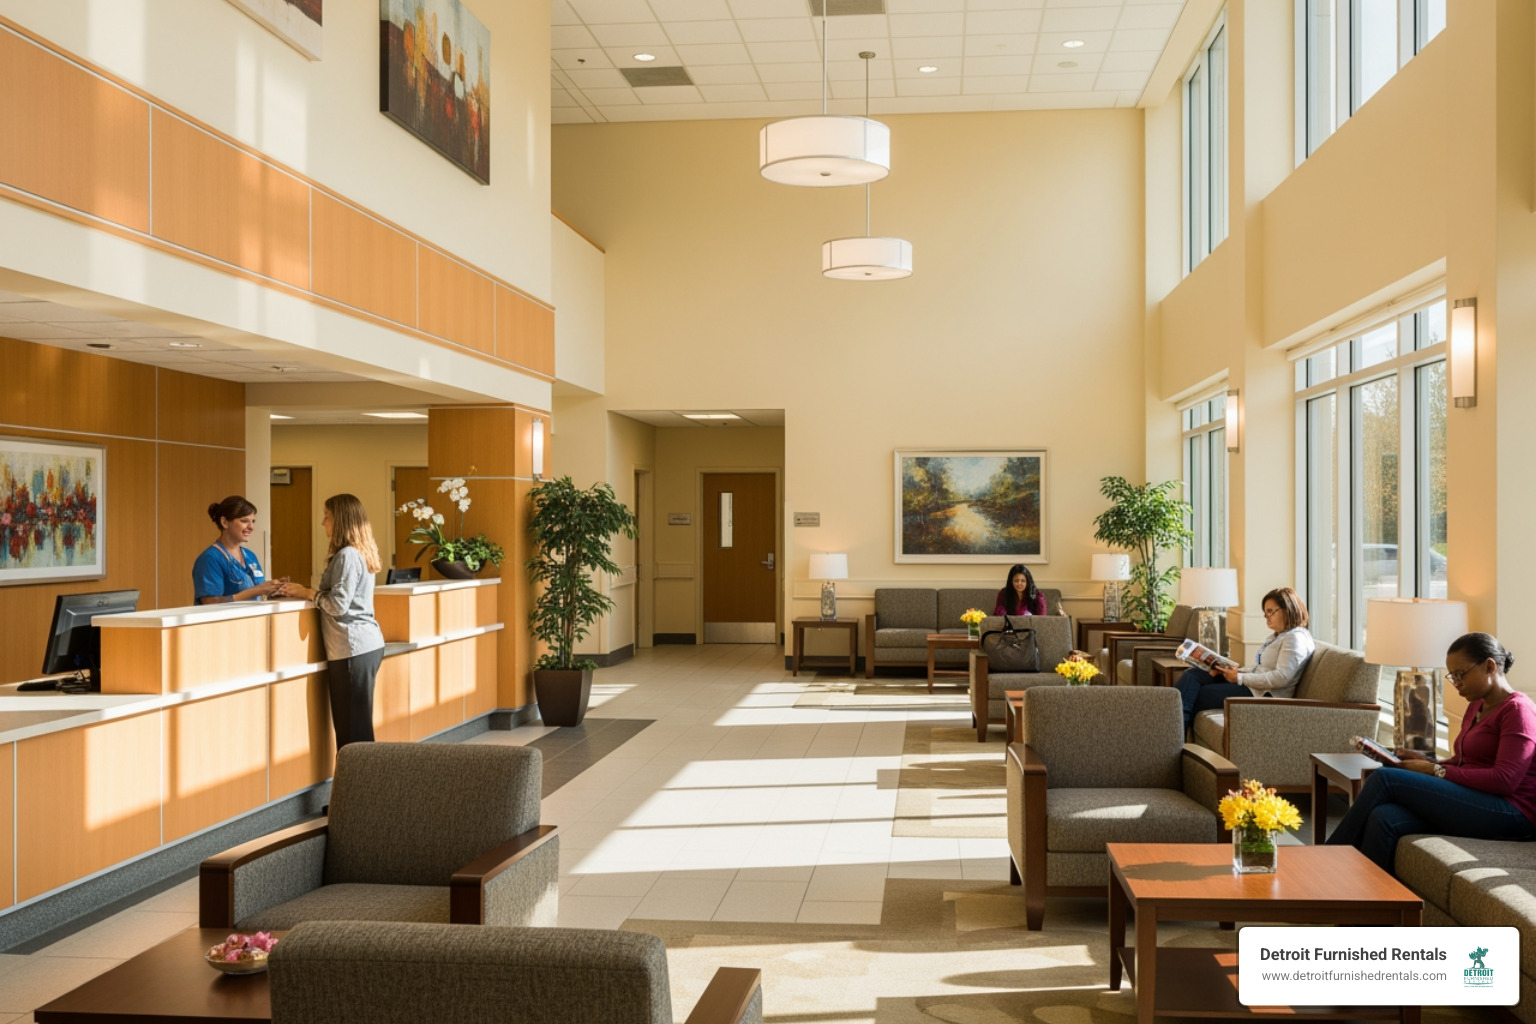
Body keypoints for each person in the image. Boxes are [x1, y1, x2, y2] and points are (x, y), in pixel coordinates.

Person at [1327, 632, 1536, 875]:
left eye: (1461, 675)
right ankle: (1365, 904)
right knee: (1384, 817)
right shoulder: (1477, 705)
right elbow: (1464, 761)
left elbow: (1505, 781)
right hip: (1478, 799)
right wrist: (1428, 761)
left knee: (1386, 779)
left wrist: (1436, 770)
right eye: (1452, 676)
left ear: (1489, 666)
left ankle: (1328, 862)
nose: (1456, 683)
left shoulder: (1518, 711)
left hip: (1512, 813)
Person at [284, 494, 385, 748]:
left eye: (327, 517)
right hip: (362, 645)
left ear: (340, 520)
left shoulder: (348, 556)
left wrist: (307, 593)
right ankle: (360, 784)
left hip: (352, 647)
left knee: (352, 732)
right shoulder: (357, 552)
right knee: (357, 727)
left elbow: (338, 605)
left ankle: (358, 786)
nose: (322, 523)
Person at [1174, 586, 1315, 731]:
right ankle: (1172, 730)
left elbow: (1283, 677)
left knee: (1197, 694)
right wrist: (1232, 671)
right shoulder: (1279, 635)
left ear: (1288, 609)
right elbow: (1260, 669)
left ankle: (1173, 734)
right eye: (1265, 613)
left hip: (1263, 695)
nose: (1266, 617)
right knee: (1193, 675)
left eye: (1270, 612)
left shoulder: (1295, 638)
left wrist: (1239, 678)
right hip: (1254, 686)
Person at [193, 496, 287, 605]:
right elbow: (210, 603)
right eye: (244, 521)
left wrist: (274, 588)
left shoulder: (250, 556)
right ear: (224, 522)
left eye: (253, 521)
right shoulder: (210, 559)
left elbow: (258, 592)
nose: (251, 527)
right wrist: (256, 590)